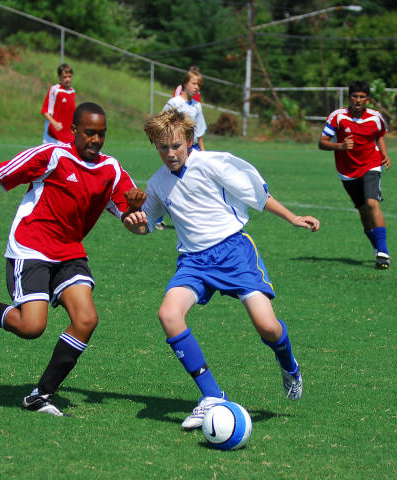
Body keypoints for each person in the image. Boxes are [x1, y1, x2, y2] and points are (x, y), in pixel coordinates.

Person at [0, 102, 140, 417]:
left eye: (101, 134)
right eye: (89, 133)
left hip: (69, 252)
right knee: (30, 326)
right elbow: (0, 172)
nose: (95, 140)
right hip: (32, 246)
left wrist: (135, 214)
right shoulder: (52, 155)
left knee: (86, 320)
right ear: (74, 130)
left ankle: (40, 396)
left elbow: (135, 222)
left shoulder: (112, 170)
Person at [122, 109, 320, 431]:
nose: (170, 153)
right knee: (169, 315)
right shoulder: (157, 184)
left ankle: (289, 365)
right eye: (162, 147)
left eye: (176, 145)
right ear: (155, 146)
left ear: (189, 140)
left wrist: (293, 217)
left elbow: (256, 194)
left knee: (267, 327)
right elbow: (146, 225)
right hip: (193, 262)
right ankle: (212, 396)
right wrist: (132, 219)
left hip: (234, 253)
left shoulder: (211, 164)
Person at [318, 80, 391, 269]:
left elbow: (379, 135)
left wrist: (384, 154)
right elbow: (322, 142)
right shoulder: (338, 116)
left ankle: (384, 252)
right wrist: (340, 146)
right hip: (347, 170)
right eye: (354, 96)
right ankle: (377, 248)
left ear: (367, 100)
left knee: (372, 203)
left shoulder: (375, 117)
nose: (358, 100)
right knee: (363, 210)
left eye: (361, 97)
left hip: (371, 164)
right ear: (349, 98)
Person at [155, 68, 207, 230]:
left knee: (197, 182)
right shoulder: (174, 103)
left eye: (199, 85)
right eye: (194, 83)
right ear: (185, 83)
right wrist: (165, 146)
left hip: (193, 149)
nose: (196, 87)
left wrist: (203, 151)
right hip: (178, 151)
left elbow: (199, 132)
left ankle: (197, 217)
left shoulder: (197, 106)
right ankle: (157, 216)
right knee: (172, 183)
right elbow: (160, 124)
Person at [41, 63, 76, 144]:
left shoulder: (72, 91)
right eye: (64, 77)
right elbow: (45, 111)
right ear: (59, 77)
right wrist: (54, 123)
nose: (67, 79)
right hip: (53, 136)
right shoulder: (55, 90)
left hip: (68, 136)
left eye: (69, 76)